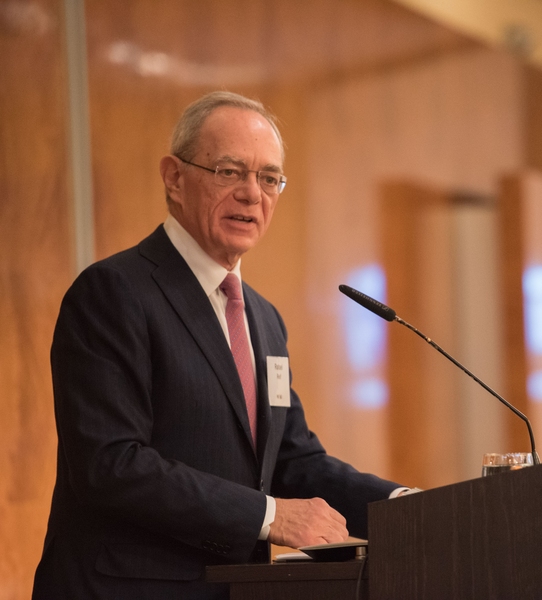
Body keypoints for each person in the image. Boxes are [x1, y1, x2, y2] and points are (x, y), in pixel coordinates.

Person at [32, 92, 405, 599]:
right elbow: (111, 464)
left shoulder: (264, 319)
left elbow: (292, 463)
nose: (252, 194)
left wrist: (407, 506)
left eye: (269, 178)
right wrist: (270, 516)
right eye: (230, 172)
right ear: (174, 177)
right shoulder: (113, 293)